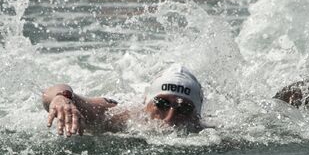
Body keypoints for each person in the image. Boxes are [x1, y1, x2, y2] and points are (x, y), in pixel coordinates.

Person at [43, 64, 204, 136]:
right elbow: (50, 93)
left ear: (197, 115)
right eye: (161, 104)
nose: (169, 118)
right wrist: (61, 98)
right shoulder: (118, 115)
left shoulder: (207, 133)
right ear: (145, 102)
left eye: (184, 109)